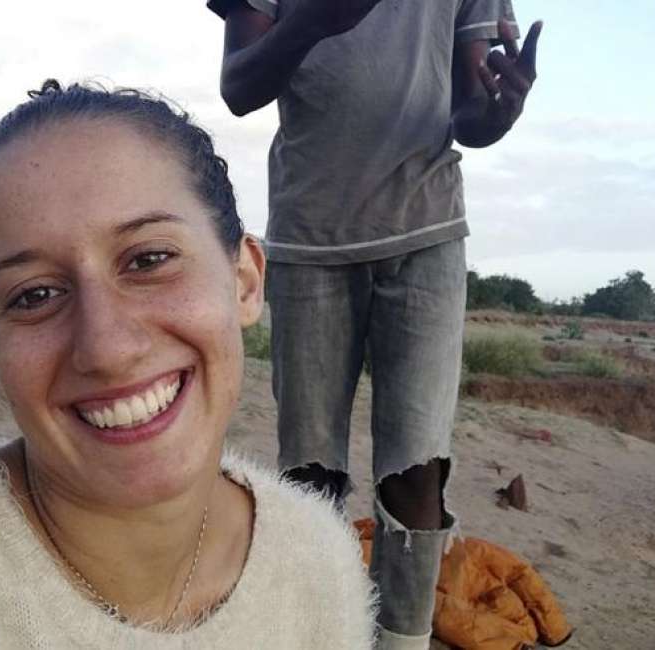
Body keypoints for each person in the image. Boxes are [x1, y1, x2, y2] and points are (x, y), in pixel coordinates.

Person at [0, 80, 375, 649]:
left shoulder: (320, 563)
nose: (107, 348)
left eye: (149, 260)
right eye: (34, 295)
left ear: (245, 281)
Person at [207, 1, 541, 647]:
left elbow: (470, 116)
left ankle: (401, 639)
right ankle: (319, 631)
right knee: (309, 475)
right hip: (309, 239)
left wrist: (501, 111)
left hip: (426, 230)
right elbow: (239, 87)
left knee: (416, 470)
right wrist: (314, 20)